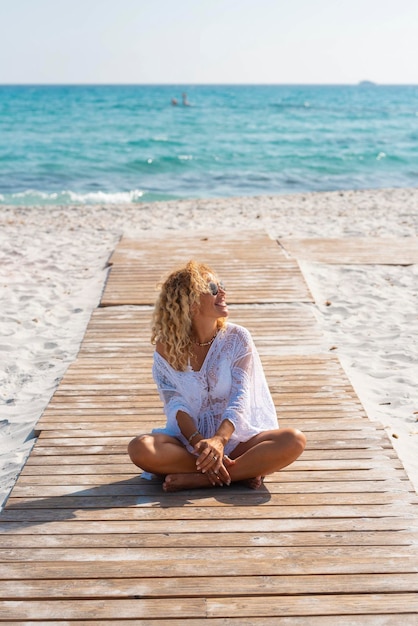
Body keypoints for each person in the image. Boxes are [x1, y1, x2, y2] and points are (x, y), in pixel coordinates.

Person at [128, 261, 306, 492]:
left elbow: (240, 397)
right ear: (190, 303)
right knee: (140, 448)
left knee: (294, 440)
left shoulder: (237, 338)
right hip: (191, 444)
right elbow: (175, 404)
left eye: (221, 285)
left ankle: (199, 478)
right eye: (213, 289)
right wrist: (199, 442)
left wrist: (220, 440)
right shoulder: (167, 345)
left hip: (239, 439)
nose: (222, 292)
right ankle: (240, 472)